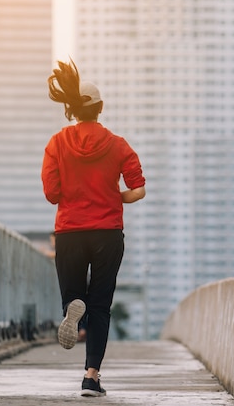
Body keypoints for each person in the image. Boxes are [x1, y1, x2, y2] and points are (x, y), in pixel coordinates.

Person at [41, 59, 146, 397]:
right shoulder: (117, 145)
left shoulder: (57, 143)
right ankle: (91, 377)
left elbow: (51, 193)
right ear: (100, 109)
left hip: (70, 232)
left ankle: (73, 307)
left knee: (74, 296)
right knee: (101, 304)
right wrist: (115, 195)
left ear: (71, 109)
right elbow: (139, 189)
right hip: (107, 233)